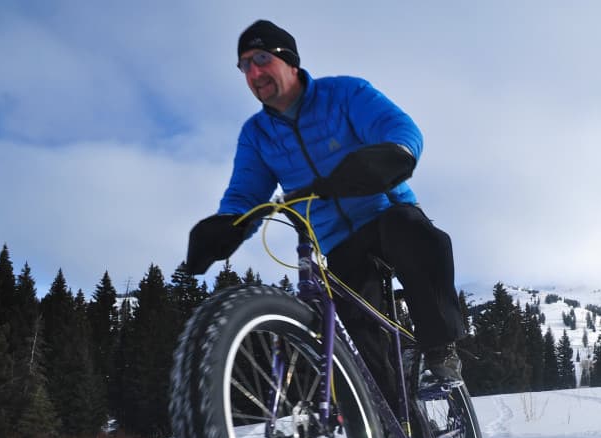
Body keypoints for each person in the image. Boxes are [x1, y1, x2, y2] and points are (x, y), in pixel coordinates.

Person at [186, 19, 466, 393]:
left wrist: (390, 155)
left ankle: (439, 351)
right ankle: (391, 435)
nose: (253, 72)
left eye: (262, 58)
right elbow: (244, 195)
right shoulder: (257, 135)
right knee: (365, 338)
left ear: (290, 60)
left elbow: (398, 128)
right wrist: (226, 225)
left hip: (384, 210)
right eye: (244, 65)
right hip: (335, 240)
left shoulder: (344, 94)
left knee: (420, 240)